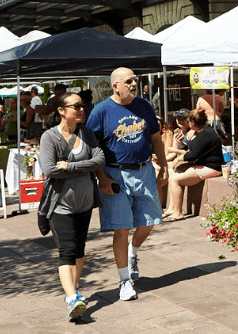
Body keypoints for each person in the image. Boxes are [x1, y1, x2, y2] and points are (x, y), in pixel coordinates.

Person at [87, 67, 169, 302]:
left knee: (150, 221)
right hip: (115, 175)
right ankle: (124, 281)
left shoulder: (144, 106)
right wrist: (102, 178)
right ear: (115, 86)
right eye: (128, 81)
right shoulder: (101, 111)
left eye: (135, 80)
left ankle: (133, 252)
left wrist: (163, 166)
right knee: (121, 228)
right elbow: (92, 148)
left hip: (144, 171)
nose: (134, 84)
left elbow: (155, 137)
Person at [39, 92, 106, 321]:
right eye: (76, 106)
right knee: (67, 250)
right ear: (61, 110)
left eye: (83, 105)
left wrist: (69, 165)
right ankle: (71, 298)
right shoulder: (50, 137)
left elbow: (100, 160)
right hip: (60, 204)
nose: (81, 109)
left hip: (85, 203)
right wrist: (83, 166)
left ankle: (74, 291)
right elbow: (49, 169)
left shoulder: (86, 133)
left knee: (79, 248)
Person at [163, 109, 225, 221]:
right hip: (201, 166)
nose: (188, 123)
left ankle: (178, 213)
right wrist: (181, 143)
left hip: (211, 168)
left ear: (193, 122)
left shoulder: (206, 134)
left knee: (175, 180)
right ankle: (172, 209)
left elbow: (192, 155)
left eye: (188, 121)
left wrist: (180, 158)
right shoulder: (201, 132)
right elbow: (192, 149)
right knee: (171, 175)